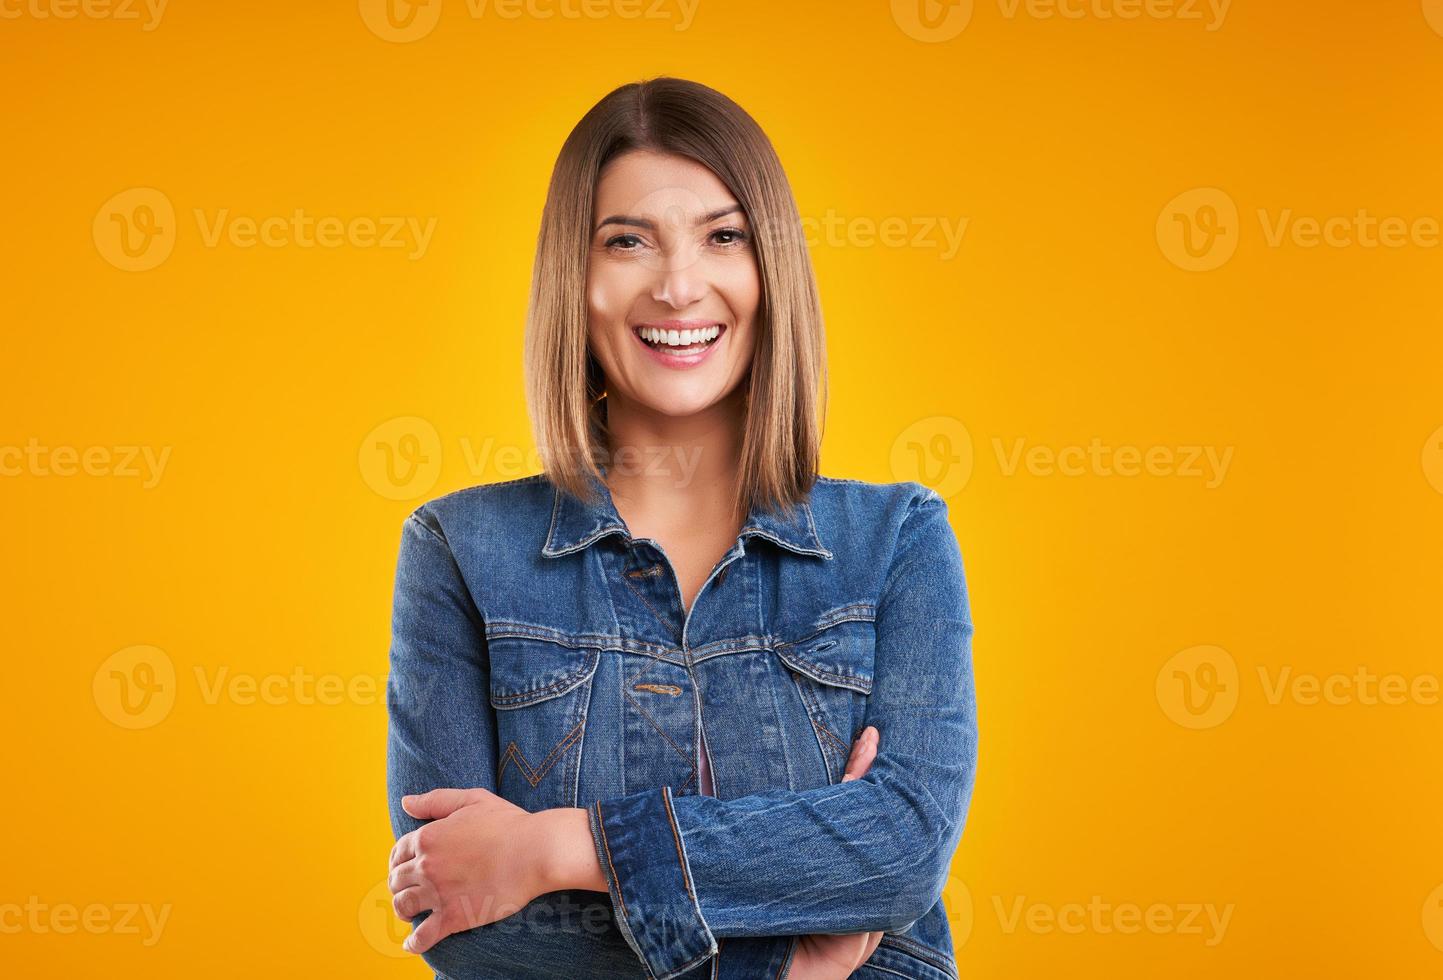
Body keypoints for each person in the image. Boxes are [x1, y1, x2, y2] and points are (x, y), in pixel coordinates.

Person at [385, 76, 978, 980]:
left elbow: (899, 854)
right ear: (573, 281)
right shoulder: (458, 551)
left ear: (768, 268)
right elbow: (468, 925)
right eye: (628, 241)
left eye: (723, 236)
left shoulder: (895, 540)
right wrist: (793, 964)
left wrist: (558, 849)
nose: (677, 285)